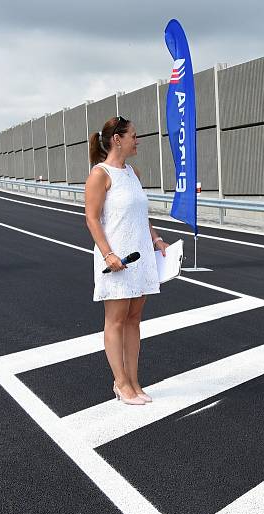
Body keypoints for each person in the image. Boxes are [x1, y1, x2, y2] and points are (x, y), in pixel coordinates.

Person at [85, 116, 170, 405]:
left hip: (141, 256)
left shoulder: (131, 172)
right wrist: (108, 254)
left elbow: (140, 216)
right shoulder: (100, 174)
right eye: (134, 135)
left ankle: (134, 381)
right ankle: (120, 384)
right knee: (116, 321)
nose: (138, 140)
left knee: (134, 320)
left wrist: (156, 240)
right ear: (117, 139)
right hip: (117, 259)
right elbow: (92, 218)